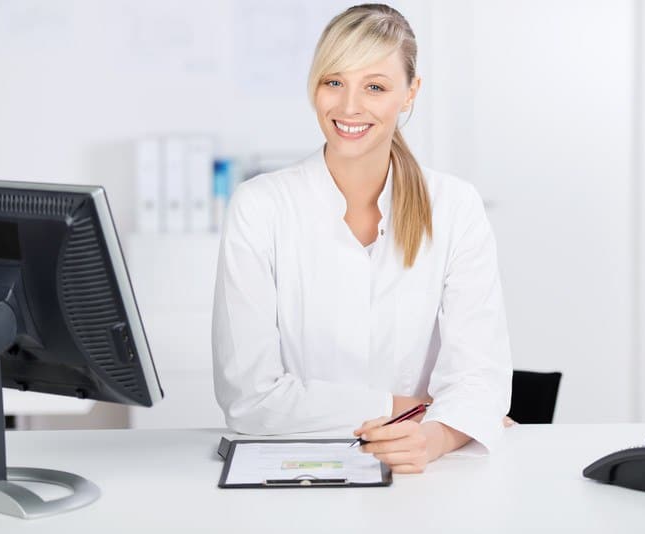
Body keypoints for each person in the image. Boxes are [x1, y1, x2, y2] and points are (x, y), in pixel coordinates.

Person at [212, 3, 512, 474]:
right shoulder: (261, 206)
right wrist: (414, 408)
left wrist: (431, 439)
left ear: (410, 92)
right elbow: (248, 398)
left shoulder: (454, 206)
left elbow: (481, 378)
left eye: (375, 86)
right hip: (297, 473)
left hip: (427, 479)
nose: (349, 106)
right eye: (335, 82)